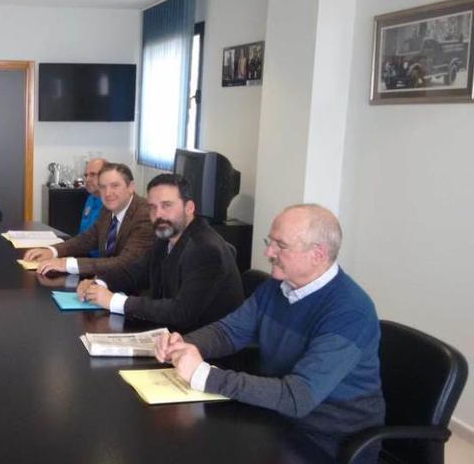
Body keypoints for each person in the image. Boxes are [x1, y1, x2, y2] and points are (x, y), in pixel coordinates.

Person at [154, 204, 384, 461]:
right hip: (273, 418)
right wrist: (185, 344)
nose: (268, 252)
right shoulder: (277, 286)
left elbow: (298, 397)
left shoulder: (349, 312)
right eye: (270, 241)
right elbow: (229, 331)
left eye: (280, 246)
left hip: (326, 441)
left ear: (317, 254)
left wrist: (203, 375)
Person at [76, 173, 244, 332]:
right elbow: (134, 273)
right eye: (152, 208)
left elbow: (181, 312)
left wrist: (114, 301)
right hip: (170, 337)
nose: (158, 215)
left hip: (204, 352)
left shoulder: (206, 249)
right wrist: (99, 283)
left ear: (189, 207)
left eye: (167, 205)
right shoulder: (166, 237)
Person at [24, 162, 153, 277]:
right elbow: (88, 239)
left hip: (135, 294)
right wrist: (52, 251)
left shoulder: (145, 215)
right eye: (103, 187)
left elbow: (125, 263)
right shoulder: (108, 209)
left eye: (115, 186)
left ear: (131, 187)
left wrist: (66, 264)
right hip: (107, 280)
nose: (108, 193)